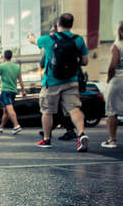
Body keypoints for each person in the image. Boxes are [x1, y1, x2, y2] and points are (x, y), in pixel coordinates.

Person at [28, 13, 89, 151]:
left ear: (58, 25)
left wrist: (30, 35)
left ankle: (47, 139)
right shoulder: (79, 40)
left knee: (47, 111)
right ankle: (82, 134)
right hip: (71, 81)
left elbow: (33, 40)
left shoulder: (48, 39)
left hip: (51, 82)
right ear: (71, 25)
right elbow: (85, 61)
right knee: (74, 109)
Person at [0, 50, 26, 135]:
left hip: (6, 91)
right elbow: (20, 80)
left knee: (10, 109)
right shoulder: (17, 67)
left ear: (4, 56)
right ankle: (1, 127)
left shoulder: (1, 66)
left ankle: (16, 125)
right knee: (6, 110)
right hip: (13, 91)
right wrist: (23, 91)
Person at [102, 20, 123, 148]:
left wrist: (108, 78)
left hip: (118, 80)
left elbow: (112, 65)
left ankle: (112, 140)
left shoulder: (117, 45)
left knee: (112, 110)